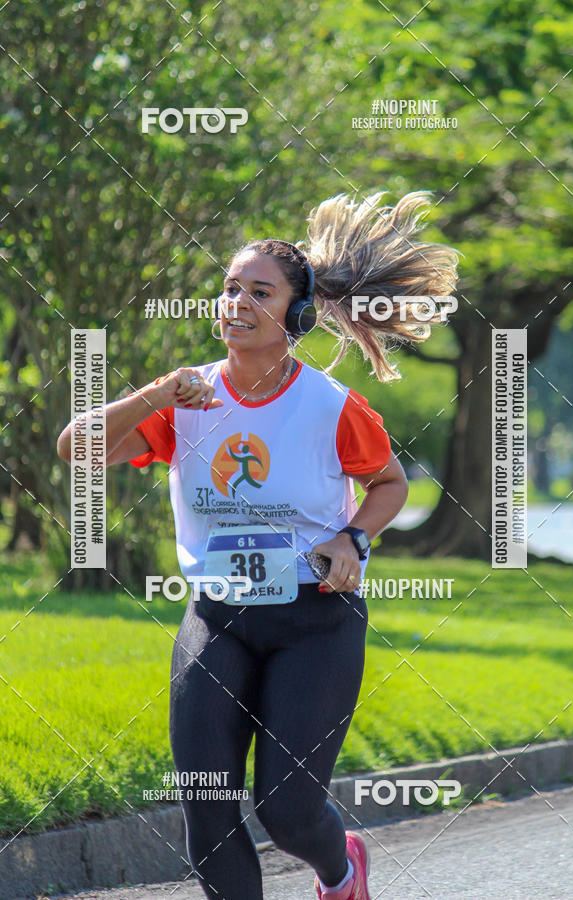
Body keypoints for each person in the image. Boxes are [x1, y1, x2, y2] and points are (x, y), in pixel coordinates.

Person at [57, 190, 458, 899]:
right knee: (206, 813)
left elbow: (390, 484)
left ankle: (341, 871)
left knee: (288, 809)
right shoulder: (185, 398)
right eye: (230, 288)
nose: (236, 302)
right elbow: (75, 449)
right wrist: (156, 395)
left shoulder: (332, 407)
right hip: (217, 616)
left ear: (296, 316)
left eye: (259, 292)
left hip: (315, 622)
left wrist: (351, 538)